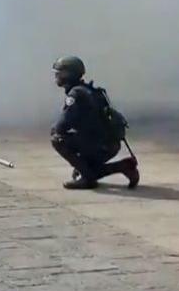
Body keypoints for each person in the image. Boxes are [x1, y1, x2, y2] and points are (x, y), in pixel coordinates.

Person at [51, 55, 139, 190]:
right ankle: (123, 167)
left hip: (100, 146)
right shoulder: (90, 91)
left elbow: (61, 126)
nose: (56, 76)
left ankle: (88, 179)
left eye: (59, 73)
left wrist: (56, 130)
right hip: (108, 144)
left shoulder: (76, 95)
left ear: (69, 74)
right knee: (85, 169)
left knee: (57, 139)